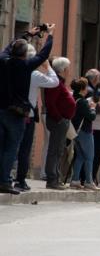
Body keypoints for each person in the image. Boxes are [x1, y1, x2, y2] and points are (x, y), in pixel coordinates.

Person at [0, 24, 55, 194]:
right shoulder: (26, 66)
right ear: (25, 54)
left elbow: (8, 47)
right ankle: (4, 181)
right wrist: (50, 36)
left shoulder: (3, 61)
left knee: (2, 146)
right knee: (11, 148)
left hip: (1, 109)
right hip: (16, 113)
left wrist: (27, 35)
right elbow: (43, 54)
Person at [14, 46, 59, 191]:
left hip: (11, 112)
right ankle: (20, 179)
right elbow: (54, 82)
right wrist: (48, 67)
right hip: (27, 115)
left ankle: (6, 177)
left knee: (9, 147)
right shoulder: (34, 74)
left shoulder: (11, 68)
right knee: (24, 149)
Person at [44, 57, 76, 190]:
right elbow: (50, 103)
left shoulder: (59, 82)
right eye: (68, 68)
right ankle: (52, 179)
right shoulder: (56, 83)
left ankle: (55, 178)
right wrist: (59, 119)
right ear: (63, 69)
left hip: (61, 120)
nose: (69, 71)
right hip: (58, 121)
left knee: (58, 150)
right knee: (55, 150)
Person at [69, 78, 100, 191]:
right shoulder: (82, 101)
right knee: (89, 157)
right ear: (83, 89)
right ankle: (89, 182)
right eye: (86, 87)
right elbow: (91, 117)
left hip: (75, 131)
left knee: (81, 156)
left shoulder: (74, 98)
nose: (87, 89)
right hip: (84, 131)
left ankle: (75, 180)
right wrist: (92, 108)